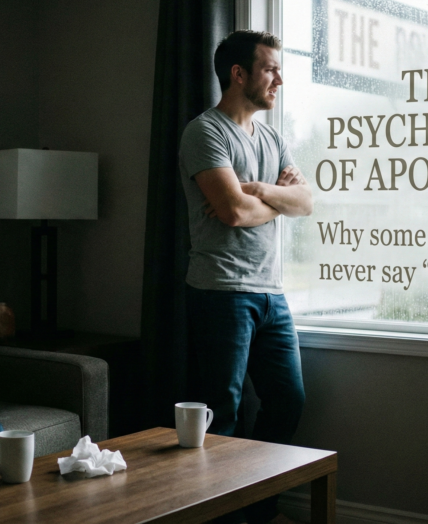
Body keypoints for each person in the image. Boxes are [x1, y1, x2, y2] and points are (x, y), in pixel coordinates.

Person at [178, 30, 313, 524]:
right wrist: (271, 197)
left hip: (270, 294)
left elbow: (307, 202)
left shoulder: (272, 137)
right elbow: (232, 212)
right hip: (220, 292)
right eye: (270, 68)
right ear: (239, 74)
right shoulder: (205, 132)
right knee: (223, 412)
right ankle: (220, 515)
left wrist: (258, 191)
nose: (280, 79)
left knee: (288, 401)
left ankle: (256, 508)